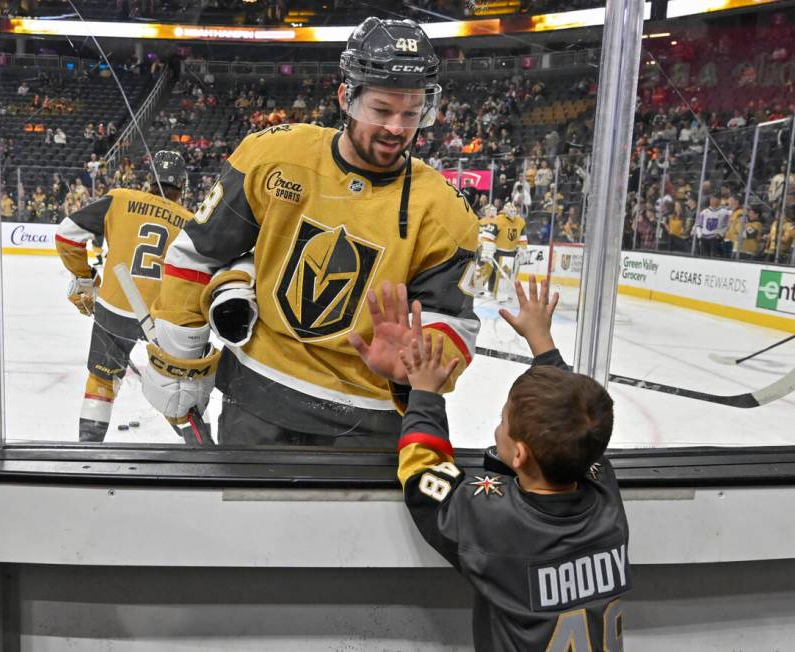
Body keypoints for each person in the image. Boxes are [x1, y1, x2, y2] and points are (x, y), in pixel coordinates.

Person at [144, 17, 479, 446]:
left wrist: (414, 365)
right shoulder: (273, 155)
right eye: (381, 110)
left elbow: (453, 322)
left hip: (372, 417)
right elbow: (197, 255)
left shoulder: (446, 212)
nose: (397, 127)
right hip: (258, 399)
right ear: (346, 97)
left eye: (411, 113)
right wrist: (180, 358)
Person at [389, 276, 629, 652]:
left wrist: (423, 394)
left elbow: (423, 478)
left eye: (503, 423)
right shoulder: (605, 492)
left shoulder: (495, 520)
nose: (497, 427)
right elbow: (578, 421)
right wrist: (542, 342)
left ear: (518, 455)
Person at [54, 151, 198, 444]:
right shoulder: (191, 222)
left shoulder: (119, 199)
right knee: (179, 388)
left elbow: (67, 233)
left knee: (102, 379)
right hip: (164, 316)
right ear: (182, 185)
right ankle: (203, 450)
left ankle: (89, 452)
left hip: (115, 308)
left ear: (149, 178)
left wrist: (83, 278)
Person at [693, 192, 729, 257]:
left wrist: (720, 234)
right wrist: (700, 235)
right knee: (703, 257)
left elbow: (725, 225)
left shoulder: (724, 212)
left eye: (715, 198)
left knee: (713, 257)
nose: (712, 200)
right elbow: (698, 224)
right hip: (704, 238)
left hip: (715, 239)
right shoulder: (704, 212)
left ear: (719, 200)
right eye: (711, 198)